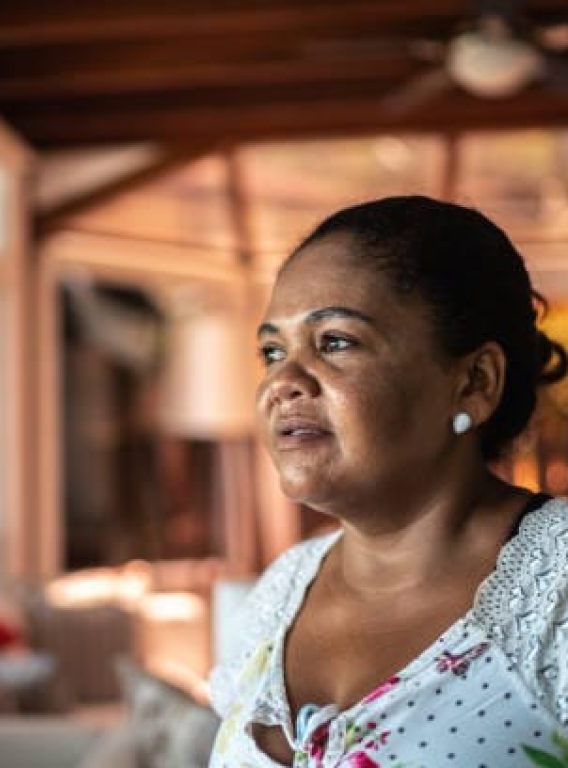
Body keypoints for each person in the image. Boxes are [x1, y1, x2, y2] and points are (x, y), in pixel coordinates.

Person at [208, 196, 568, 767]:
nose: (284, 382)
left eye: (335, 342)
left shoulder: (556, 594)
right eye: (273, 351)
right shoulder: (277, 596)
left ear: (474, 382)